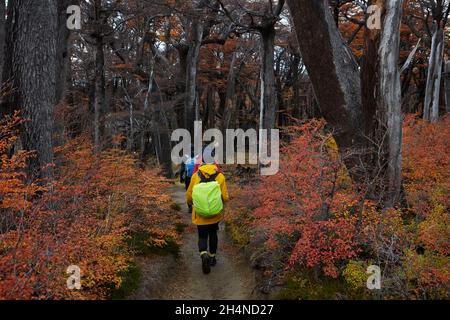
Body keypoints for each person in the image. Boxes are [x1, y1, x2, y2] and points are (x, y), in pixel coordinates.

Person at [186, 155, 229, 275]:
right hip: (215, 213)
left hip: (200, 213)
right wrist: (221, 204)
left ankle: (203, 254)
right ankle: (212, 257)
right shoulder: (220, 176)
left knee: (202, 235)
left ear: (201, 164)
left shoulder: (195, 176)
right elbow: (225, 197)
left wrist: (191, 204)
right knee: (213, 233)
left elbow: (189, 195)